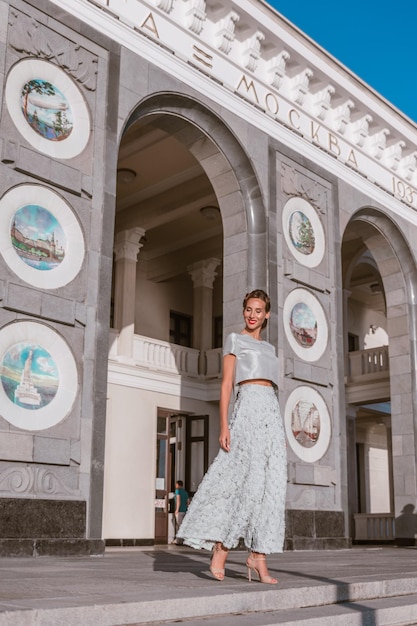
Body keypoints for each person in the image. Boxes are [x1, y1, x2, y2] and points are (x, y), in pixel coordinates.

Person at [177, 289, 287, 584]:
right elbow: (226, 385)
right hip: (247, 407)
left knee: (272, 486)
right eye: (249, 309)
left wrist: (276, 425)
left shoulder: (271, 349)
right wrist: (224, 425)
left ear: (267, 315)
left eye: (258, 311)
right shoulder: (234, 340)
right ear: (244, 312)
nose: (252, 315)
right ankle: (222, 549)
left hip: (270, 412)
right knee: (247, 484)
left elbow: (273, 389)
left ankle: (259, 556)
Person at [172, 480, 189, 544]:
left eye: (176, 484)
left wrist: (177, 509)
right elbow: (188, 502)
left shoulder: (177, 491)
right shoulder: (186, 492)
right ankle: (182, 540)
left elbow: (178, 500)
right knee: (182, 526)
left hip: (179, 511)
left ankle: (178, 540)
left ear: (178, 485)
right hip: (184, 511)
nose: (175, 486)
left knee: (178, 526)